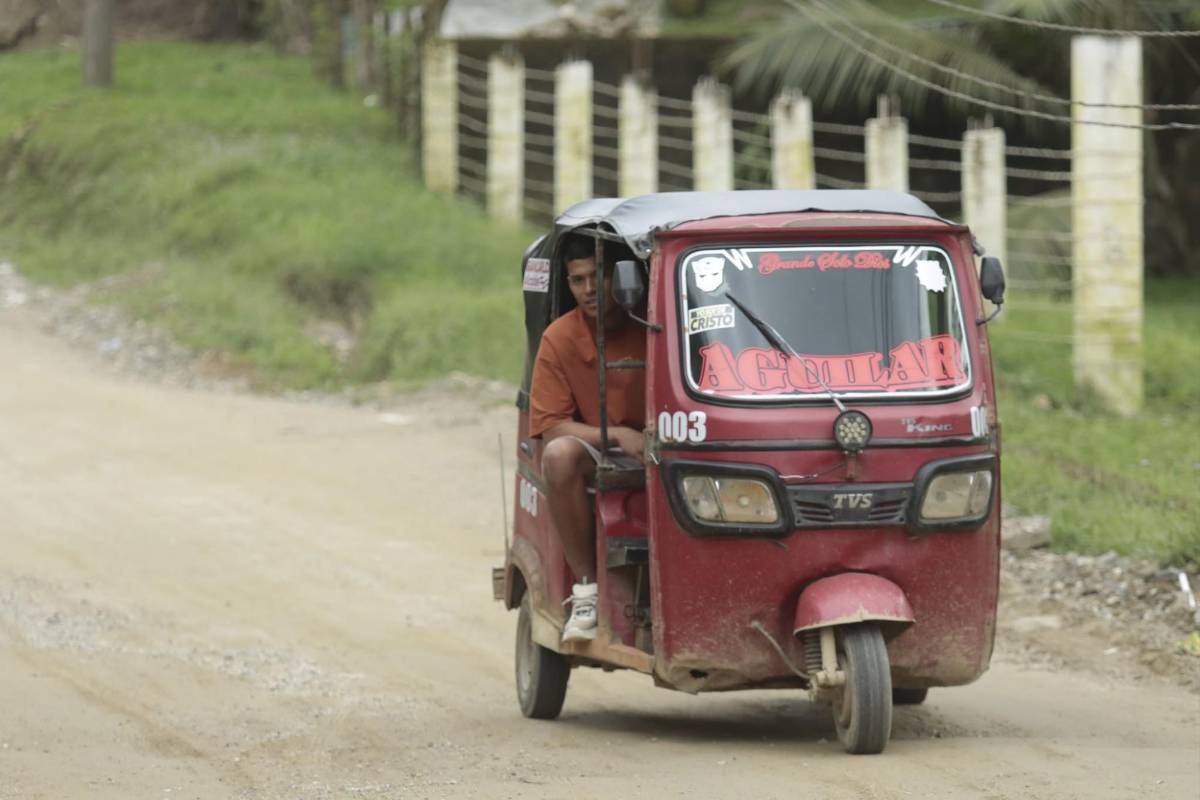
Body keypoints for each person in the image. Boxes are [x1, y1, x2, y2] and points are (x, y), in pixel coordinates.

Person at [528, 234, 646, 642]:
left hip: (669, 445)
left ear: (624, 277)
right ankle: (586, 590)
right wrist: (617, 436)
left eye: (599, 277)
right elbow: (552, 425)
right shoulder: (559, 338)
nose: (590, 290)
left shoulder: (654, 325)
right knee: (558, 455)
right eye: (578, 281)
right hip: (602, 450)